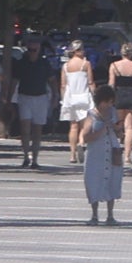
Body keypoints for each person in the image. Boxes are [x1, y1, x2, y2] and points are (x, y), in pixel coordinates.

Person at [79, 82, 129, 223]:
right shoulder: (91, 115)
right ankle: (94, 215)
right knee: (94, 181)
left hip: (112, 151)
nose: (109, 104)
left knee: (113, 181)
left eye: (111, 102)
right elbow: (86, 137)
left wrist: (117, 129)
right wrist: (102, 129)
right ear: (100, 101)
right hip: (96, 153)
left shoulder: (113, 112)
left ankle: (110, 215)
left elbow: (120, 135)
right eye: (107, 102)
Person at [13, 38, 52, 168]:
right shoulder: (21, 63)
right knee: (25, 130)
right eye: (29, 50)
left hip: (40, 98)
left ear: (39, 50)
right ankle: (25, 157)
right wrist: (7, 99)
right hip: (25, 97)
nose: (32, 52)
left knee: (37, 130)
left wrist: (56, 96)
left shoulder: (44, 63)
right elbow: (14, 81)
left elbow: (52, 80)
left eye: (34, 50)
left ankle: (35, 159)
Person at [56, 41, 96, 167]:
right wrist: (94, 95)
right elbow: (90, 82)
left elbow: (63, 84)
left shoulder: (66, 66)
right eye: (82, 49)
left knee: (73, 126)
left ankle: (72, 154)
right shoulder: (86, 64)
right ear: (77, 50)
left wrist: (63, 99)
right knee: (85, 125)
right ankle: (81, 142)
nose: (83, 51)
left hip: (71, 97)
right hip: (83, 95)